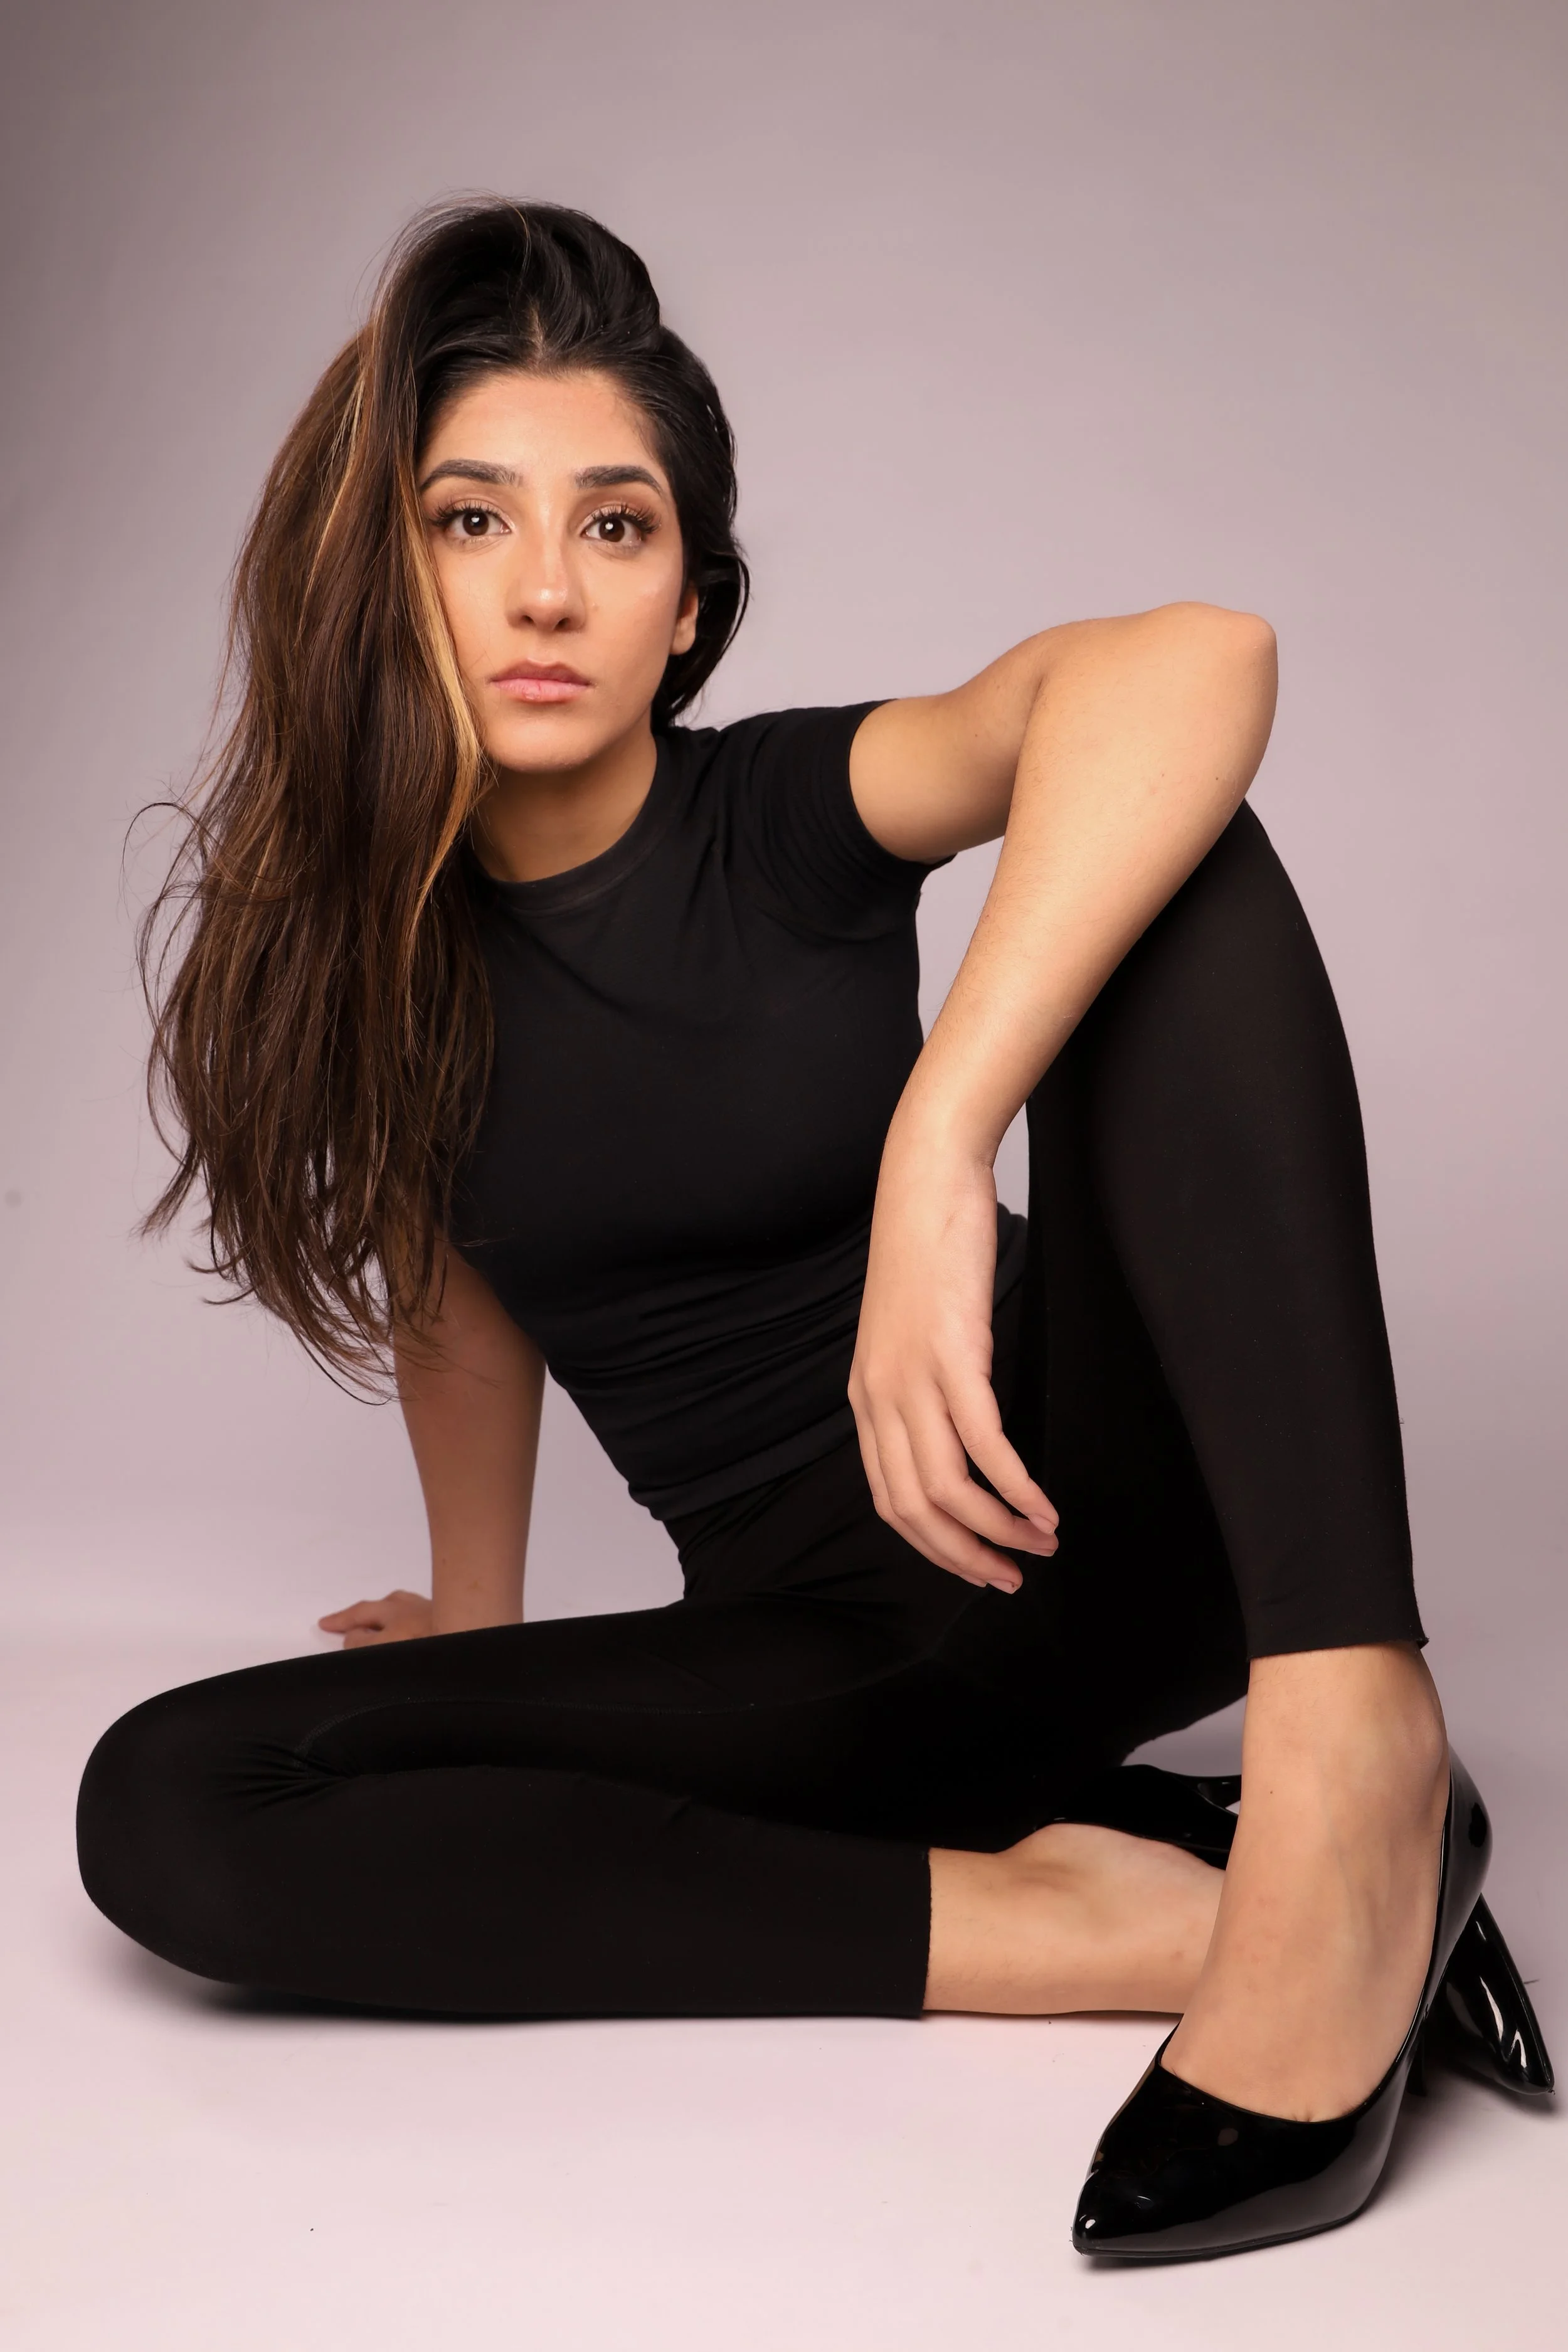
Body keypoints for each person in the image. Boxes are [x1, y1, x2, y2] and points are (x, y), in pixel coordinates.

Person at [77, 199, 1550, 2262]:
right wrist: (476, 1612)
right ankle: (1073, 1908)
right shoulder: (373, 958)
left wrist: (938, 1139)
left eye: (616, 527)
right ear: (387, 574)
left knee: (1159, 842)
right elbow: (459, 1293)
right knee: (163, 1802)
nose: (546, 588)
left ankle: (1344, 1743)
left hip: (1108, 1500)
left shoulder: (775, 818)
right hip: (829, 1651)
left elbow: (1197, 659)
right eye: (471, 519)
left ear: (689, 606)